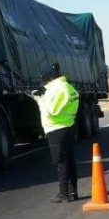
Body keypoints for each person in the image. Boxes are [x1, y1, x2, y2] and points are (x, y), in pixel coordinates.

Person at [34, 63, 81, 203]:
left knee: (60, 161)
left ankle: (63, 193)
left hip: (56, 128)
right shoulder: (68, 87)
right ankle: (73, 192)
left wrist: (39, 100)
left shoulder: (56, 89)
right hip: (68, 126)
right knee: (69, 161)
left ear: (48, 78)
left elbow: (51, 111)